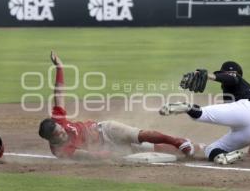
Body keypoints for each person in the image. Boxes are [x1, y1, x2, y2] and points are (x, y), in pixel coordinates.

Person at [38, 51, 194, 160]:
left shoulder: (58, 121)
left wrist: (59, 68)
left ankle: (177, 141)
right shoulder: (60, 151)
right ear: (51, 139)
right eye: (59, 134)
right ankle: (198, 149)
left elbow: (58, 94)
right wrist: (109, 154)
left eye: (60, 129)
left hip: (105, 130)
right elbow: (88, 157)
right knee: (151, 150)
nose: (63, 131)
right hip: (104, 149)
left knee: (139, 135)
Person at [159, 61, 250, 164]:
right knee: (211, 149)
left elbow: (232, 78)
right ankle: (224, 157)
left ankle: (187, 107)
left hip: (245, 109)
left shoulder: (237, 79)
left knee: (201, 114)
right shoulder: (244, 91)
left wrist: (210, 76)